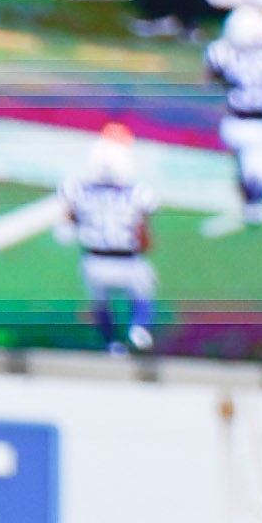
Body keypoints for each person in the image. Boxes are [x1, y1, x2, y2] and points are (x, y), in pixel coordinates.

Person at [53, 122, 155, 353]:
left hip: (94, 260)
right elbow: (144, 237)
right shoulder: (138, 193)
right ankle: (139, 328)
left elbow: (68, 222)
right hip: (128, 261)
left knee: (101, 305)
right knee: (143, 297)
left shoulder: (77, 188)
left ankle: (111, 344)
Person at [201, 5, 262, 230]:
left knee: (251, 169)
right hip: (260, 123)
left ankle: (250, 203)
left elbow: (211, 80)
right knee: (260, 174)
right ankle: (252, 205)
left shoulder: (221, 52)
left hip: (237, 120)